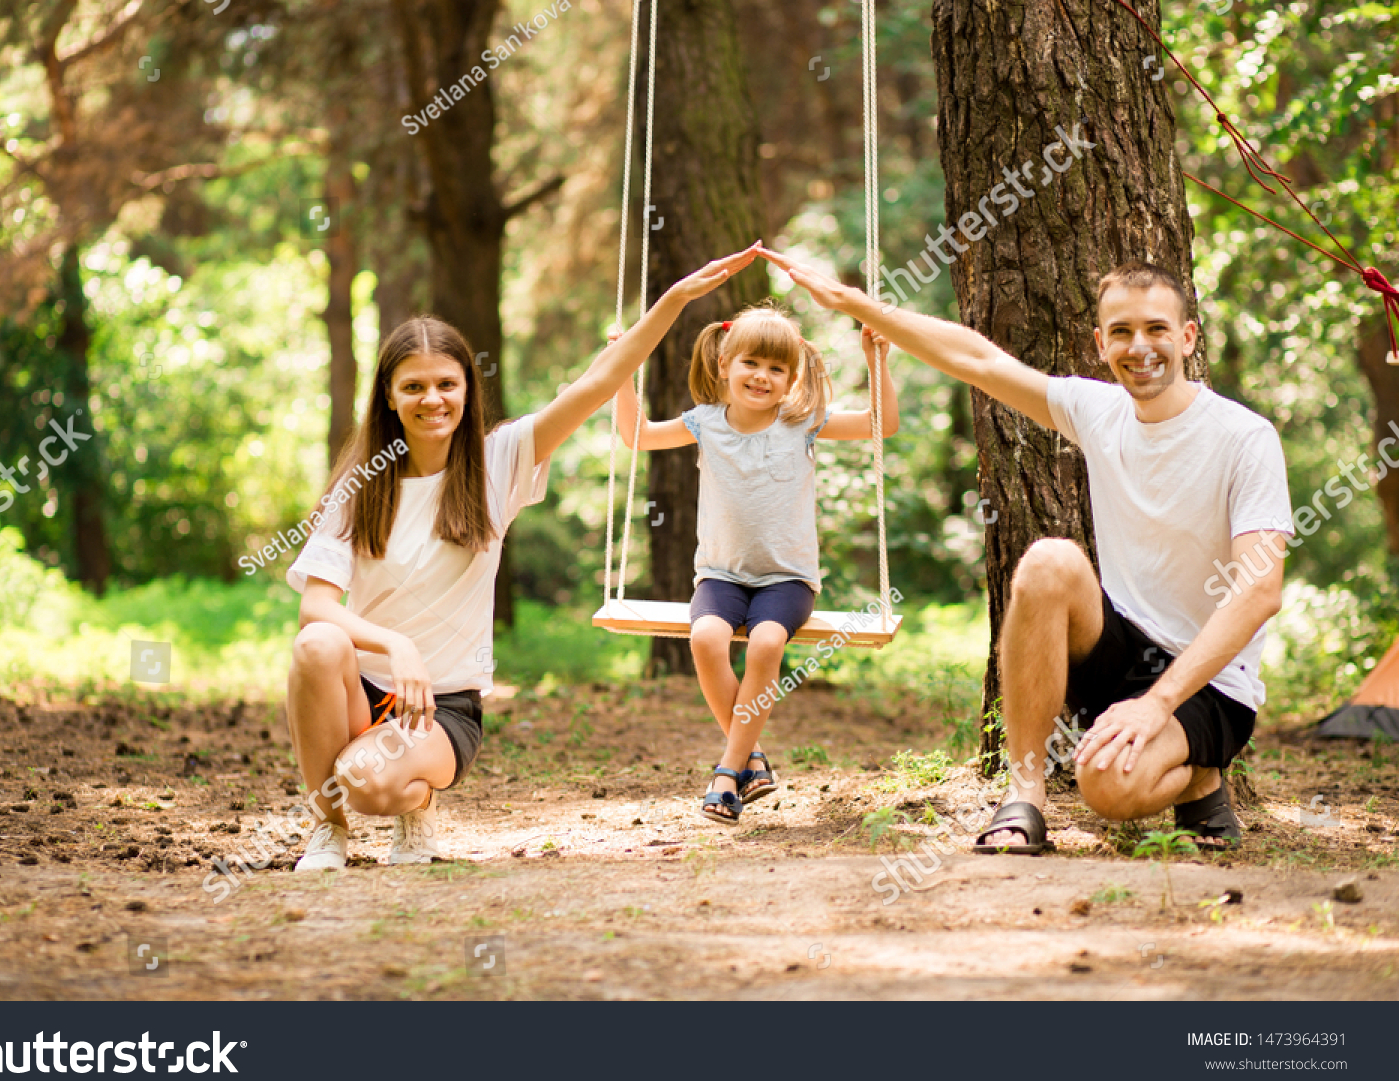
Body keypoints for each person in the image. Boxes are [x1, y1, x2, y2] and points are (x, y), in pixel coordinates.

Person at [760, 247, 1292, 851]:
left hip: (1210, 682)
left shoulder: (1245, 438)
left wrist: (1158, 704)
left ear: (1188, 337)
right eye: (1121, 332)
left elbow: (1259, 591)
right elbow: (977, 360)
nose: (1139, 347)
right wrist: (855, 304)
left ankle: (1200, 780)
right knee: (1048, 562)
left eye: (1156, 329)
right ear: (1100, 343)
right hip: (1121, 648)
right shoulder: (1098, 410)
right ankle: (1024, 796)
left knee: (1106, 790)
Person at [283, 244, 762, 871]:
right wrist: (394, 646)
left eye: (447, 384)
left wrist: (672, 302)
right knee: (317, 646)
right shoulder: (361, 485)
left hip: (441, 708)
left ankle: (412, 803)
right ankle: (328, 830)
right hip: (361, 690)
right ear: (390, 397)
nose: (434, 399)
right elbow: (315, 606)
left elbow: (595, 384)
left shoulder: (498, 463)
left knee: (366, 779)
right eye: (415, 387)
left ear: (466, 389)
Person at [615, 305, 897, 823]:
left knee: (768, 643)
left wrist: (875, 359)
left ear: (792, 378)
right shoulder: (704, 424)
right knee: (705, 640)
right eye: (751, 363)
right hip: (721, 574)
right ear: (724, 363)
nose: (762, 377)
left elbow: (882, 425)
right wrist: (619, 369)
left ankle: (727, 771)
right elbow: (637, 436)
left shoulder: (802, 422)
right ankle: (752, 759)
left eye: (776, 368)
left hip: (786, 580)